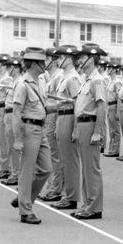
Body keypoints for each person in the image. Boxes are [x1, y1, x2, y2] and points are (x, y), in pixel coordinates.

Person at [10, 47, 58, 225]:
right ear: (34, 63)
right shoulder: (22, 84)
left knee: (46, 169)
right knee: (26, 171)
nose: (45, 64)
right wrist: (18, 139)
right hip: (29, 130)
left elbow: (41, 108)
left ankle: (24, 197)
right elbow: (16, 113)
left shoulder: (39, 83)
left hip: (41, 129)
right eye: (42, 61)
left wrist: (59, 107)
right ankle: (25, 211)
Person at [70, 43, 107, 220]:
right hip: (83, 125)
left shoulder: (97, 80)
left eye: (82, 58)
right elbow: (79, 107)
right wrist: (77, 128)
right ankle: (87, 205)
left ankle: (94, 208)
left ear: (91, 59)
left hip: (91, 125)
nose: (79, 61)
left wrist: (98, 131)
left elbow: (101, 106)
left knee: (91, 169)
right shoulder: (86, 79)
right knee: (85, 168)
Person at [49, 45, 82, 210]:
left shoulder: (73, 78)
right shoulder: (64, 77)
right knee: (64, 160)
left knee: (70, 160)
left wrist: (76, 128)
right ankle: (66, 194)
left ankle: (71, 197)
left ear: (69, 59)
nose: (57, 60)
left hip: (69, 117)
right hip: (62, 117)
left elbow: (77, 103)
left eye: (60, 58)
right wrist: (56, 125)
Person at [37, 48, 64, 201]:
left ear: (53, 60)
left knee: (55, 155)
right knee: (51, 154)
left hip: (54, 116)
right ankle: (52, 187)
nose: (44, 62)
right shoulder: (50, 76)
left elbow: (60, 102)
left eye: (46, 59)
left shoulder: (58, 76)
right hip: (49, 115)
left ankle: (55, 189)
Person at [1, 57, 23, 186]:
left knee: (15, 147)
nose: (7, 69)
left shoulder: (19, 82)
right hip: (8, 114)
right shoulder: (14, 82)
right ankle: (13, 172)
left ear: (16, 68)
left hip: (13, 115)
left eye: (9, 67)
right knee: (10, 146)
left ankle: (15, 174)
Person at [103, 62, 123, 158]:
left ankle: (115, 150)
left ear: (114, 70)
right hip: (109, 106)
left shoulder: (116, 82)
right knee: (111, 129)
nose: (107, 70)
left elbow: (119, 97)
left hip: (114, 106)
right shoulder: (110, 81)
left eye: (109, 68)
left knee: (115, 129)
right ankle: (111, 149)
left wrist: (118, 111)